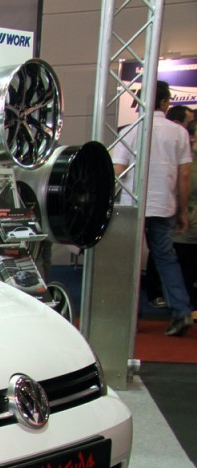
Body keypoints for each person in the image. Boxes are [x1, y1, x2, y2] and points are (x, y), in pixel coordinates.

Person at [112, 80, 193, 336]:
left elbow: (117, 170)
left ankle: (131, 317)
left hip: (132, 205)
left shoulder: (130, 130)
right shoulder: (179, 133)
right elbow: (184, 176)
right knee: (166, 258)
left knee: (131, 262)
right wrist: (182, 211)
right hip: (164, 205)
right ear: (165, 102)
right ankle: (181, 311)